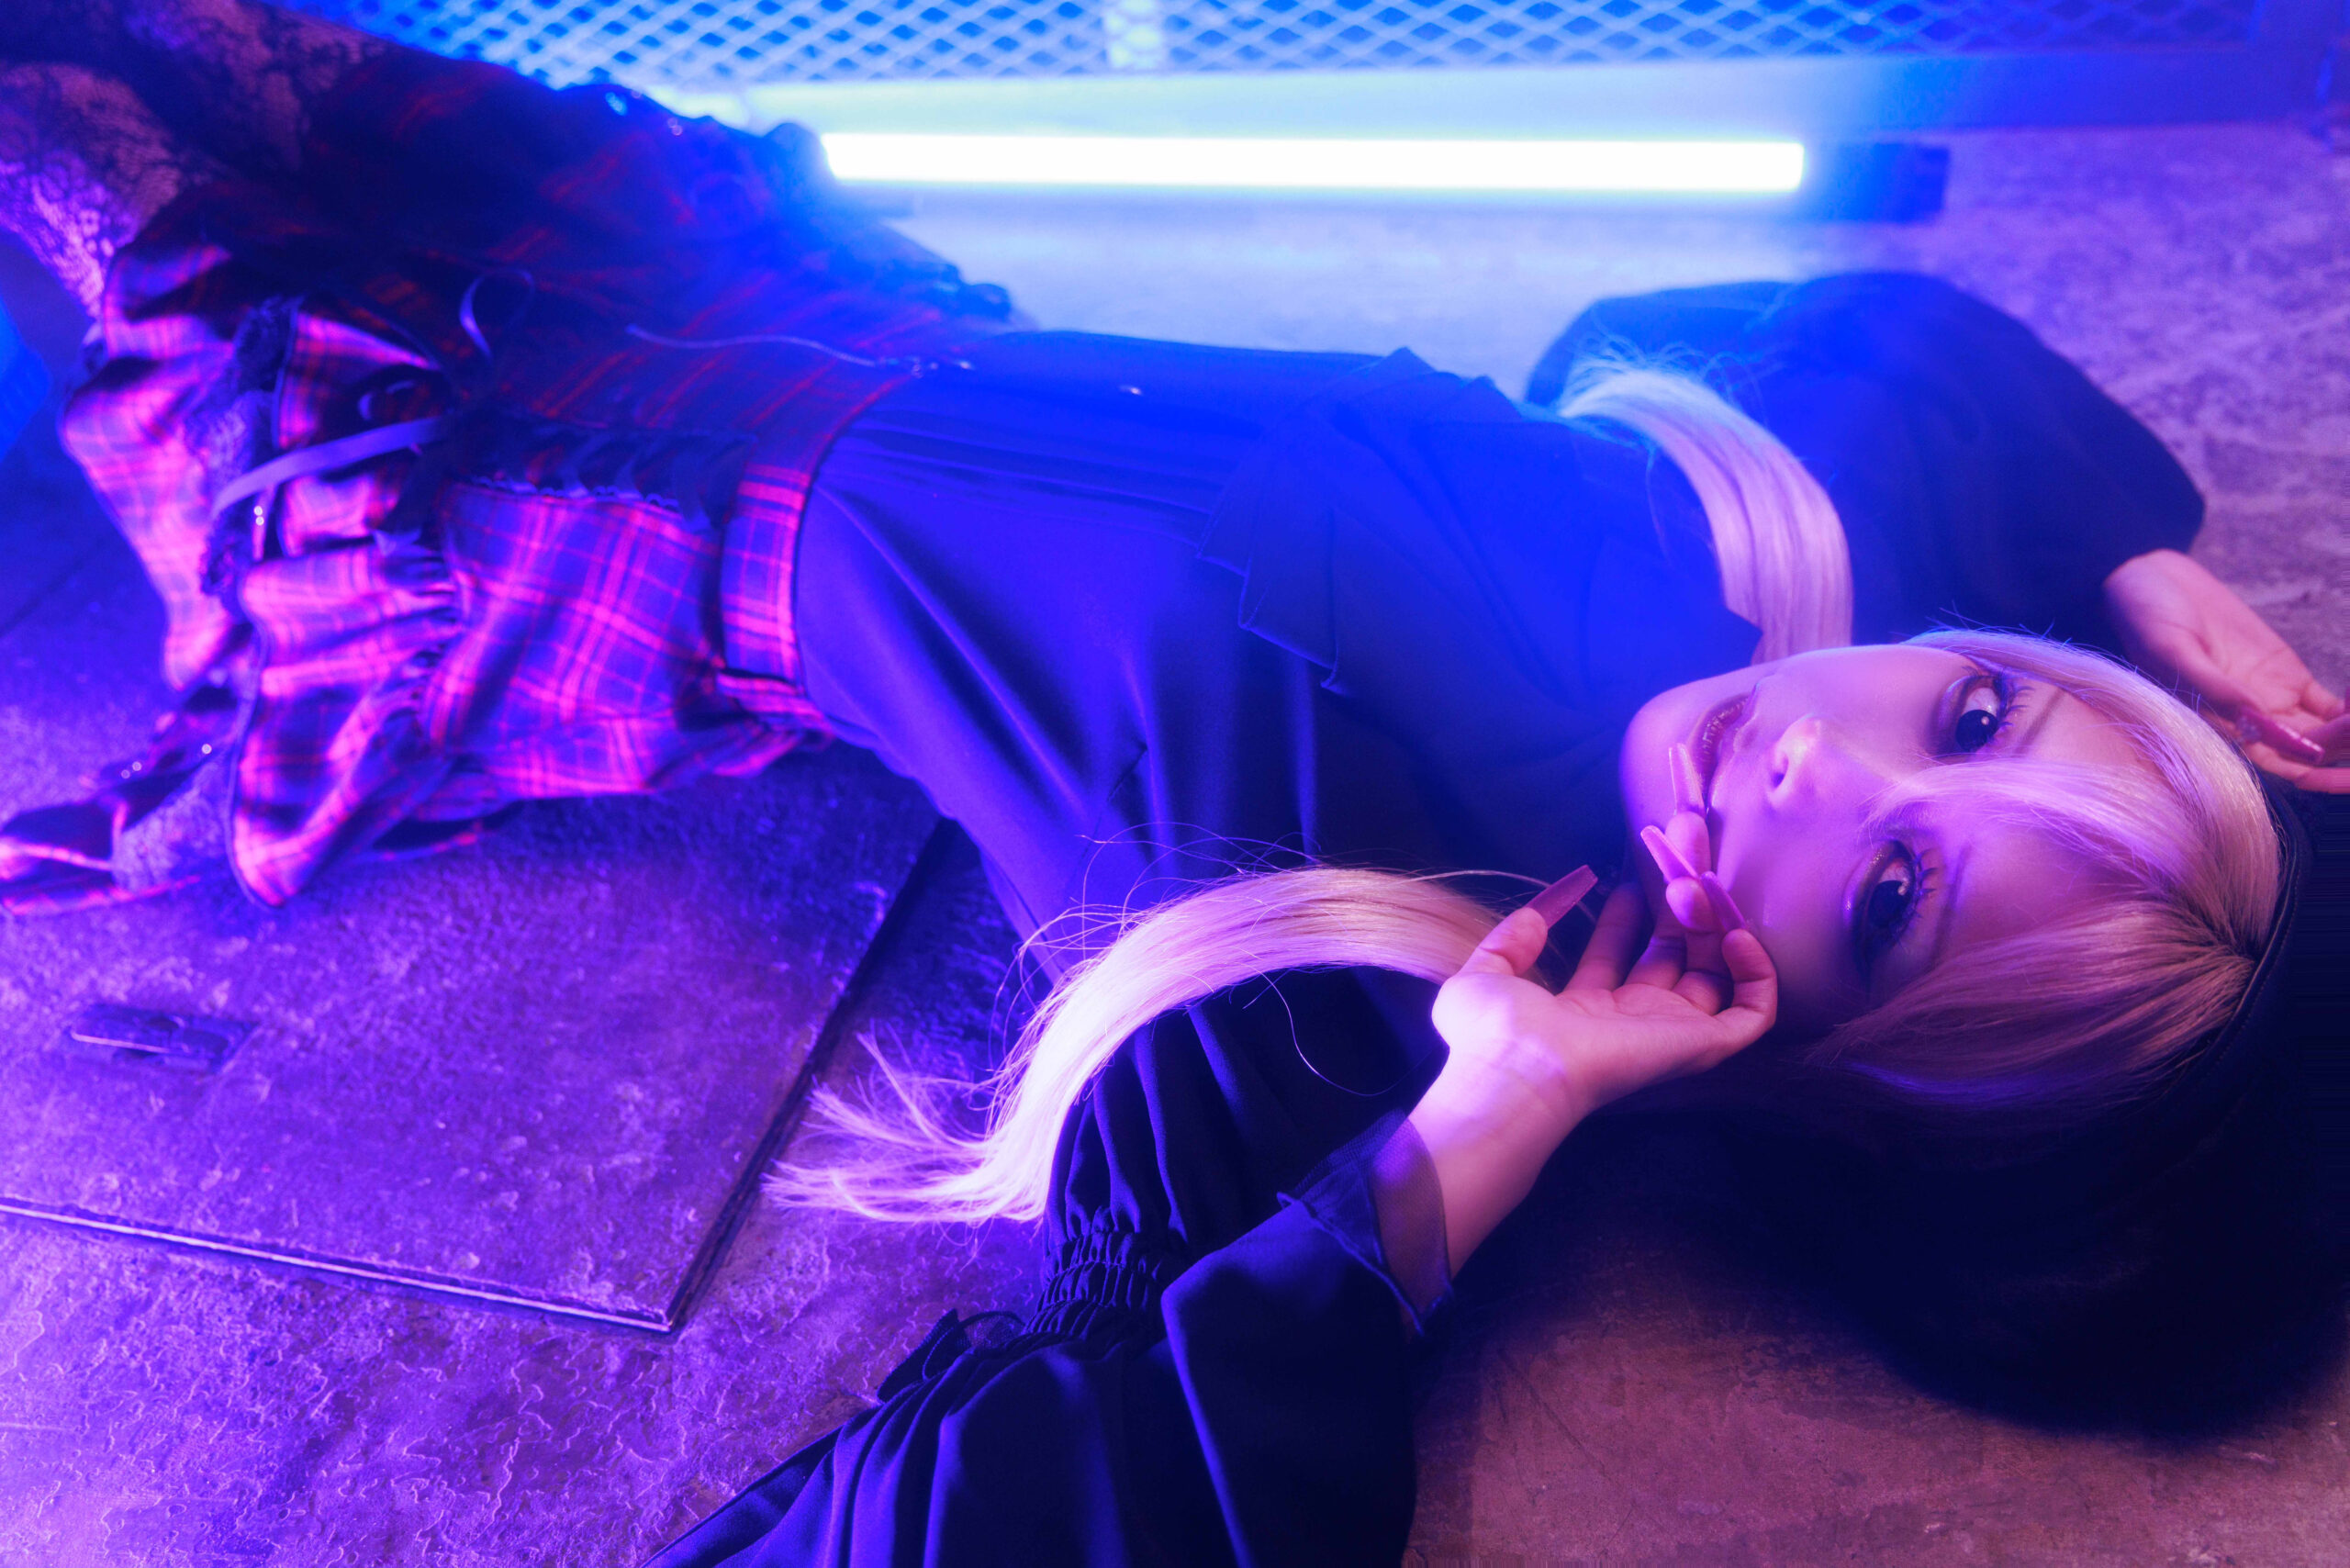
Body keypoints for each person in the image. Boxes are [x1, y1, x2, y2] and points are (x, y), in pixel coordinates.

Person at [0, 7, 2342, 1563]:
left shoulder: (1348, 968)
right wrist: (2132, 564)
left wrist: (1469, 1133)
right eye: (1977, 712)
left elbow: (968, 1509)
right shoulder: (1763, 562)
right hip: (759, 283)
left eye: (1893, 896)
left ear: (1816, 1066)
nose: (1823, 753)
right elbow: (1880, 350)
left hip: (549, 513)